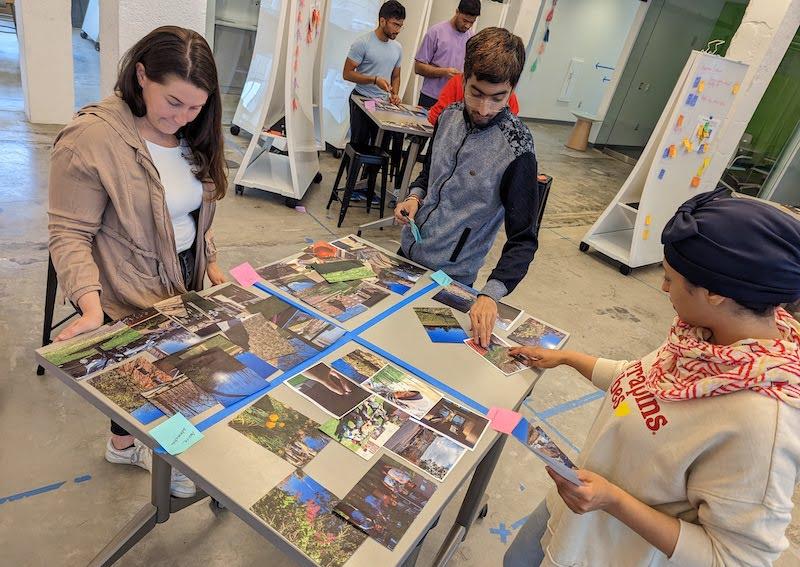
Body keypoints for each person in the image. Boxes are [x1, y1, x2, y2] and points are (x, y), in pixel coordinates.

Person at [504, 190, 800, 567]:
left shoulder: (763, 423)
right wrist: (567, 358)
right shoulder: (701, 338)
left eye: (669, 278)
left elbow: (733, 558)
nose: (662, 289)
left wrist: (613, 500)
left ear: (715, 295)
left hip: (608, 549)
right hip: (578, 510)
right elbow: (644, 382)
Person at [48, 26, 227, 498]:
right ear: (142, 75)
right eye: (174, 102)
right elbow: (69, 232)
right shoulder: (92, 137)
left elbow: (194, 213)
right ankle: (130, 443)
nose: (184, 117)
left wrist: (210, 263)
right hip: (125, 286)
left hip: (183, 278)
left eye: (196, 107)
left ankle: (123, 443)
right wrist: (90, 306)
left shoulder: (189, 133)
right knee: (147, 378)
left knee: (186, 370)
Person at [394, 27, 539, 348]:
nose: (484, 109)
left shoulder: (517, 148)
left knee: (422, 354)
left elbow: (523, 239)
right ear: (463, 78)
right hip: (406, 255)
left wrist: (491, 294)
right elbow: (431, 172)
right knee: (384, 337)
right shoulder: (447, 117)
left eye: (497, 98)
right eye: (476, 93)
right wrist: (415, 197)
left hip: (453, 277)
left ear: (511, 89)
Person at [343, 0, 405, 147]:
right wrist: (374, 79)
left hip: (383, 103)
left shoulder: (397, 48)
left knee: (382, 145)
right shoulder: (363, 43)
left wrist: (395, 94)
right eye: (395, 25)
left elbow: (396, 76)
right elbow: (347, 74)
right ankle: (355, 169)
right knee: (360, 144)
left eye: (401, 26)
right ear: (382, 21)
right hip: (362, 99)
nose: (398, 30)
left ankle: (371, 170)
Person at [414, 0, 481, 109]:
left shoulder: (472, 39)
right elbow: (418, 68)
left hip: (456, 101)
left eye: (471, 22)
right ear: (457, 12)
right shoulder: (435, 32)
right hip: (431, 98)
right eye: (465, 20)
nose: (467, 26)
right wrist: (444, 72)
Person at [427, 73, 520, 126]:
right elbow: (436, 117)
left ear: (511, 91)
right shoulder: (456, 83)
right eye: (476, 95)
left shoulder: (510, 99)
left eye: (497, 99)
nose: (483, 112)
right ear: (464, 83)